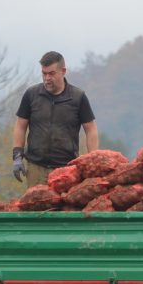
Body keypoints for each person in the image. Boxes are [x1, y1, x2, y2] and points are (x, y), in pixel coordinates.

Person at [12, 51, 99, 187]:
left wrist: (92, 160)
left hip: (67, 169)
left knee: (65, 208)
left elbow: (91, 129)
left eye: (51, 73)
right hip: (36, 167)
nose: (47, 78)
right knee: (35, 206)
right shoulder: (31, 95)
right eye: (44, 73)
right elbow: (20, 125)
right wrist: (17, 156)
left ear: (63, 71)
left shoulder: (78, 97)